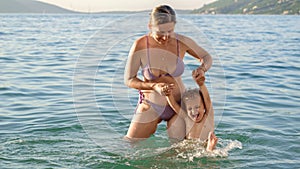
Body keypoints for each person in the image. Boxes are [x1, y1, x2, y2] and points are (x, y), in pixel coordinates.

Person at [124, 4, 213, 141]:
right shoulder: (140, 45)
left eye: (170, 31)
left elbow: (207, 57)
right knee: (129, 146)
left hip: (178, 107)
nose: (165, 37)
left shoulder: (181, 42)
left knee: (179, 152)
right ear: (150, 27)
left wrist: (202, 69)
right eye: (160, 33)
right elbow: (129, 79)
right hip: (151, 106)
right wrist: (154, 86)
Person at [166, 72, 218, 151]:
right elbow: (174, 105)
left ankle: (210, 148)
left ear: (204, 106)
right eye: (190, 109)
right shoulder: (187, 118)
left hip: (204, 144)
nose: (193, 111)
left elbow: (207, 99)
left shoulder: (208, 117)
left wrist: (201, 85)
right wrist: (168, 95)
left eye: (197, 107)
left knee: (209, 149)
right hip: (190, 147)